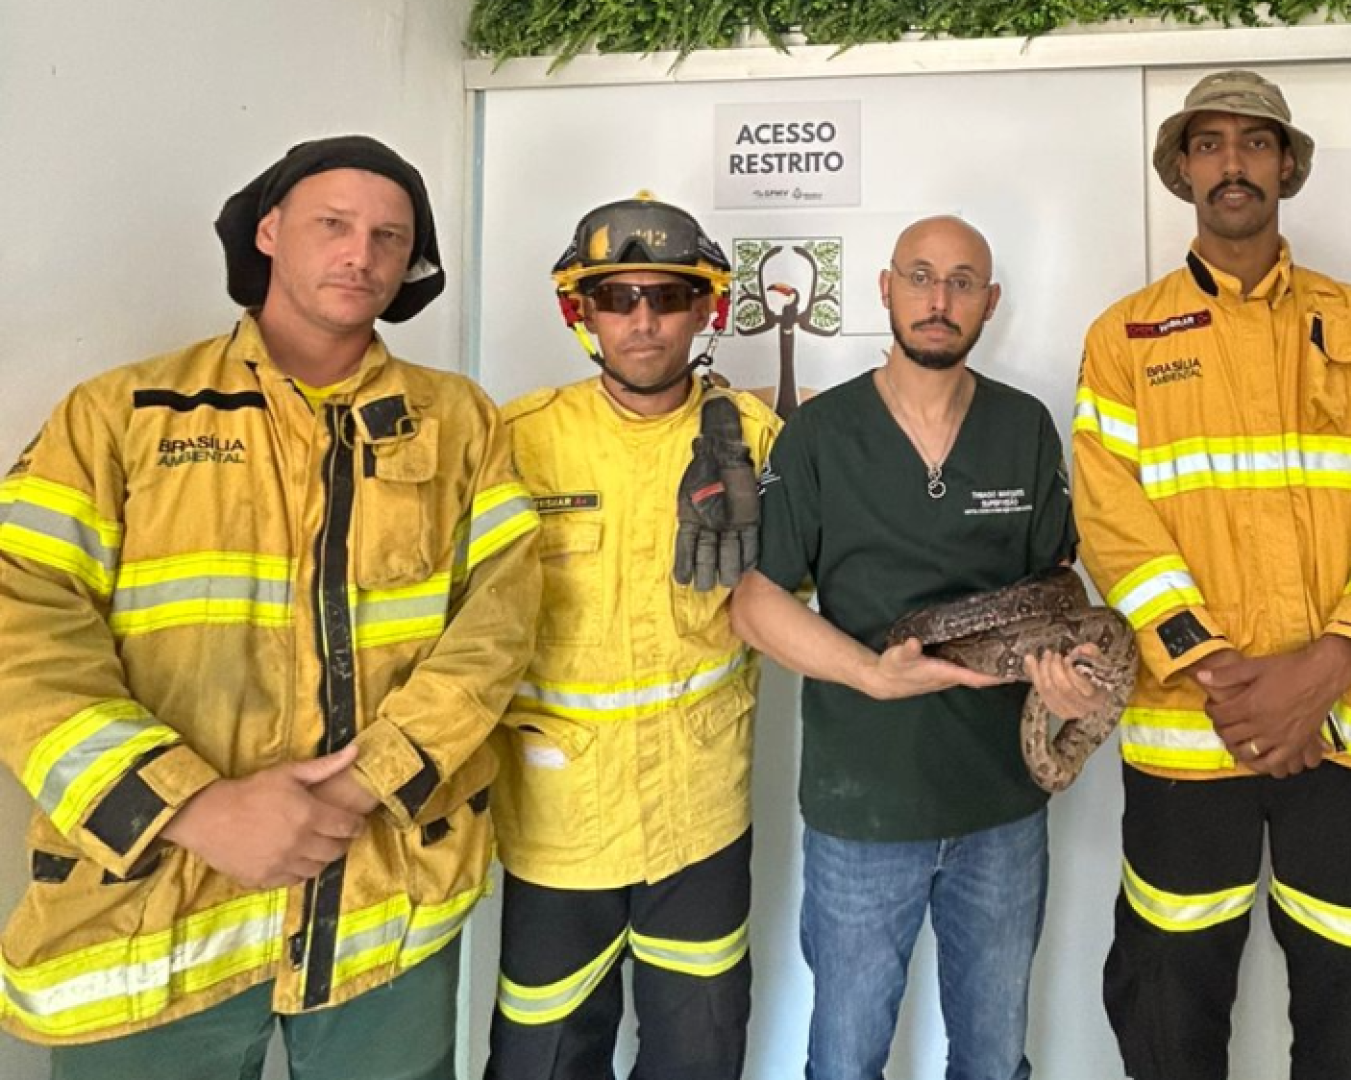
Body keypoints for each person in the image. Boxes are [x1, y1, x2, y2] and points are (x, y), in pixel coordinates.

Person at [0, 135, 542, 1078]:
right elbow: (22, 624)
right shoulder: (125, 412)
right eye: (333, 224)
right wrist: (191, 806)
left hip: (386, 904)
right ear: (269, 232)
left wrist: (363, 780)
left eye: (389, 235)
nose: (360, 253)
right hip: (156, 915)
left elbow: (497, 622)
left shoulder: (458, 418)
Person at [1072, 70, 1351, 1080]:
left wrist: (1325, 670)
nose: (1232, 162)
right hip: (1195, 728)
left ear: (1287, 165)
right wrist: (1224, 679)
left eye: (1254, 142)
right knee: (1163, 988)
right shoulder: (1123, 340)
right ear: (1183, 170)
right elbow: (1113, 524)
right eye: (1210, 144)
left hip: (1349, 726)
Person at [729, 215, 1098, 1080]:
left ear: (990, 302)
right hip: (865, 807)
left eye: (964, 282)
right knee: (846, 1054)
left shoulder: (1023, 427)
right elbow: (753, 602)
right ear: (886, 289)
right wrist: (868, 673)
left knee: (993, 1052)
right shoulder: (821, 434)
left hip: (1002, 807)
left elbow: (1057, 593)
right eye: (922, 277)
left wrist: (1069, 686)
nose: (940, 300)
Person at [484, 193, 780, 1080]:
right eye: (619, 298)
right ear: (584, 313)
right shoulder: (519, 442)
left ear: (705, 310)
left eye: (667, 297)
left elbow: (804, 599)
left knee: (698, 1057)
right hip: (555, 822)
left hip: (700, 817)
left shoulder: (756, 442)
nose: (644, 322)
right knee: (544, 1061)